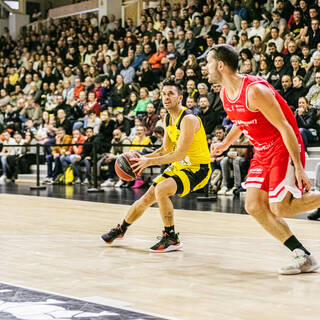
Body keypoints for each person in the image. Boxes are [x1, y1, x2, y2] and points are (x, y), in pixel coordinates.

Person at [207, 44, 320, 275]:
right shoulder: (224, 92)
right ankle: (302, 255)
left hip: (282, 145)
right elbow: (240, 120)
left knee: (281, 208)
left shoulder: (255, 91)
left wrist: (298, 166)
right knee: (254, 206)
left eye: (208, 62)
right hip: (261, 150)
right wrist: (226, 143)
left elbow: (286, 127)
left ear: (220, 65)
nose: (206, 67)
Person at [101, 79, 212, 252]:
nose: (166, 97)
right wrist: (142, 159)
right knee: (146, 198)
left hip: (198, 169)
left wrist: (148, 162)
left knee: (161, 189)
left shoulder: (188, 119)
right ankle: (121, 229)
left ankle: (171, 237)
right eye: (164, 94)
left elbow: (179, 154)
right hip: (180, 167)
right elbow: (165, 149)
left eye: (170, 94)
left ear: (180, 98)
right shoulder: (168, 117)